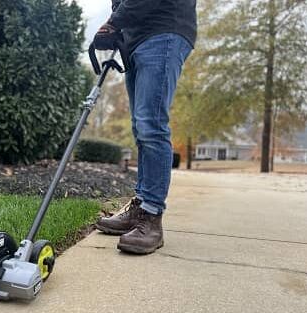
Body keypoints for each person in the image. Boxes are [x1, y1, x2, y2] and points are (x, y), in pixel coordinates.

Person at [94, 0, 197, 255]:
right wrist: (117, 29)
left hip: (163, 30)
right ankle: (140, 207)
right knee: (141, 128)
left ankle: (151, 216)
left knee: (151, 126)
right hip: (135, 39)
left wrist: (114, 22)